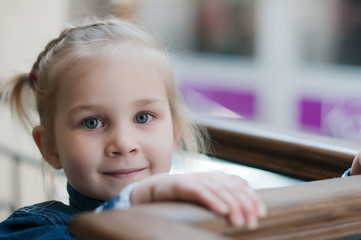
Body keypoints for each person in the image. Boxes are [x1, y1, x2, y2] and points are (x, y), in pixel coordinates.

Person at [0, 17, 266, 239]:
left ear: (175, 133)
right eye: (92, 122)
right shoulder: (36, 230)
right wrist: (134, 201)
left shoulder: (200, 216)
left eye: (143, 117)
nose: (124, 143)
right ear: (50, 147)